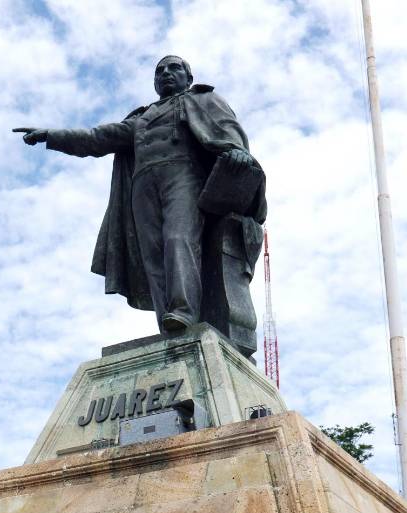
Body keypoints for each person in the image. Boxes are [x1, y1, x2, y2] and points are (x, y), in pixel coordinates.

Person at [15, 55, 267, 359]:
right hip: (142, 187)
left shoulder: (204, 99)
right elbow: (97, 138)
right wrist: (51, 136)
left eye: (174, 69)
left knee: (178, 239)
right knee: (154, 257)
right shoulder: (140, 118)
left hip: (184, 176)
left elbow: (227, 129)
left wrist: (238, 152)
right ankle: (170, 324)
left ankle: (183, 310)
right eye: (160, 71)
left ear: (188, 77)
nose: (166, 74)